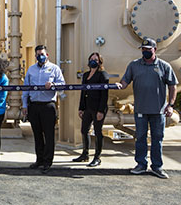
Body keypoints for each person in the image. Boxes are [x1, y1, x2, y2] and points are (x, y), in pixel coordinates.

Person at [117, 38, 177, 179]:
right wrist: (120, 85)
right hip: (140, 110)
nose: (145, 52)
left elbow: (173, 85)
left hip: (158, 111)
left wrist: (171, 105)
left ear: (155, 50)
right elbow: (125, 80)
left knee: (157, 138)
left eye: (148, 50)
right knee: (141, 138)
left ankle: (157, 167)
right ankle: (141, 165)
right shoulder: (134, 65)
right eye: (143, 50)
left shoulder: (164, 66)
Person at [22, 45, 65, 174]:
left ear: (47, 55)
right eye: (38, 54)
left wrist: (53, 85)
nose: (40, 56)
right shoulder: (31, 70)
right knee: (37, 134)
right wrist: (25, 105)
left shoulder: (54, 69)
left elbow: (63, 86)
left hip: (48, 105)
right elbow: (26, 89)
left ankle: (47, 161)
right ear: (35, 56)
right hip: (34, 105)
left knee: (49, 135)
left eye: (42, 54)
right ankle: (39, 159)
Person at [73, 52, 109, 167]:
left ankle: (97, 157)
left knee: (98, 132)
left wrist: (101, 111)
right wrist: (81, 108)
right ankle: (85, 154)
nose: (93, 61)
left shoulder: (102, 75)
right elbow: (83, 92)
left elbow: (104, 94)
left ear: (100, 62)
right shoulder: (86, 75)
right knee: (84, 130)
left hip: (98, 107)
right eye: (92, 59)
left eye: (96, 59)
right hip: (87, 107)